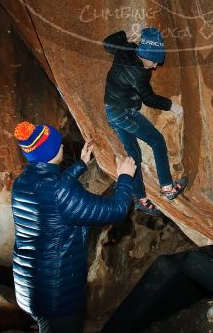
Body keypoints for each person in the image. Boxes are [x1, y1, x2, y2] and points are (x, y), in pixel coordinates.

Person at [10, 120, 137, 333]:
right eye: (58, 144)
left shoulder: (22, 182)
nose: (62, 146)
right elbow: (116, 210)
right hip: (58, 295)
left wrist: (81, 165)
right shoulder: (61, 192)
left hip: (30, 284)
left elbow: (53, 188)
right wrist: (125, 176)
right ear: (50, 150)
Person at [103, 27, 187, 217]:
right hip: (122, 112)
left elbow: (107, 43)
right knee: (157, 141)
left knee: (133, 154)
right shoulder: (139, 73)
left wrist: (125, 35)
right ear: (143, 54)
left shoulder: (125, 48)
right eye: (154, 61)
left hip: (111, 108)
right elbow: (149, 98)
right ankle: (167, 188)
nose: (155, 66)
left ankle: (141, 199)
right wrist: (171, 105)